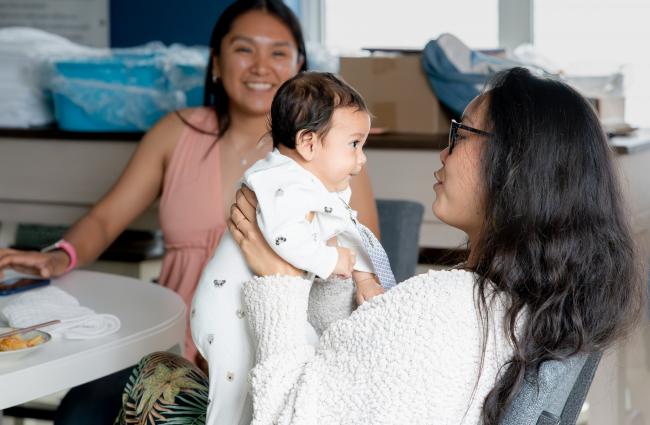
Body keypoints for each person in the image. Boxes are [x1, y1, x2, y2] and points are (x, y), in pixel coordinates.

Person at [116, 67, 644, 425]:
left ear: (516, 167)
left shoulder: (446, 310)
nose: (445, 146)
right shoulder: (522, 311)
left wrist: (276, 280)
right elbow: (368, 372)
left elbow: (288, 416)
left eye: (461, 133)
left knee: (155, 377)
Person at [0, 1, 380, 423]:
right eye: (243, 49)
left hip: (280, 343)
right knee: (82, 413)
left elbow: (359, 266)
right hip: (167, 340)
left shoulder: (336, 159)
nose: (260, 66)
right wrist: (58, 255)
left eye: (278, 52)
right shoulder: (174, 132)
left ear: (300, 69)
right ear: (216, 63)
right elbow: (106, 219)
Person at [192, 71, 393, 425]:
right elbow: (285, 239)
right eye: (354, 144)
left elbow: (350, 233)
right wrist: (332, 261)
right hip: (227, 307)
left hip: (263, 301)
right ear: (309, 144)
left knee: (300, 363)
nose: (361, 159)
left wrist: (364, 280)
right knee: (234, 387)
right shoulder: (279, 180)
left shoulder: (313, 185)